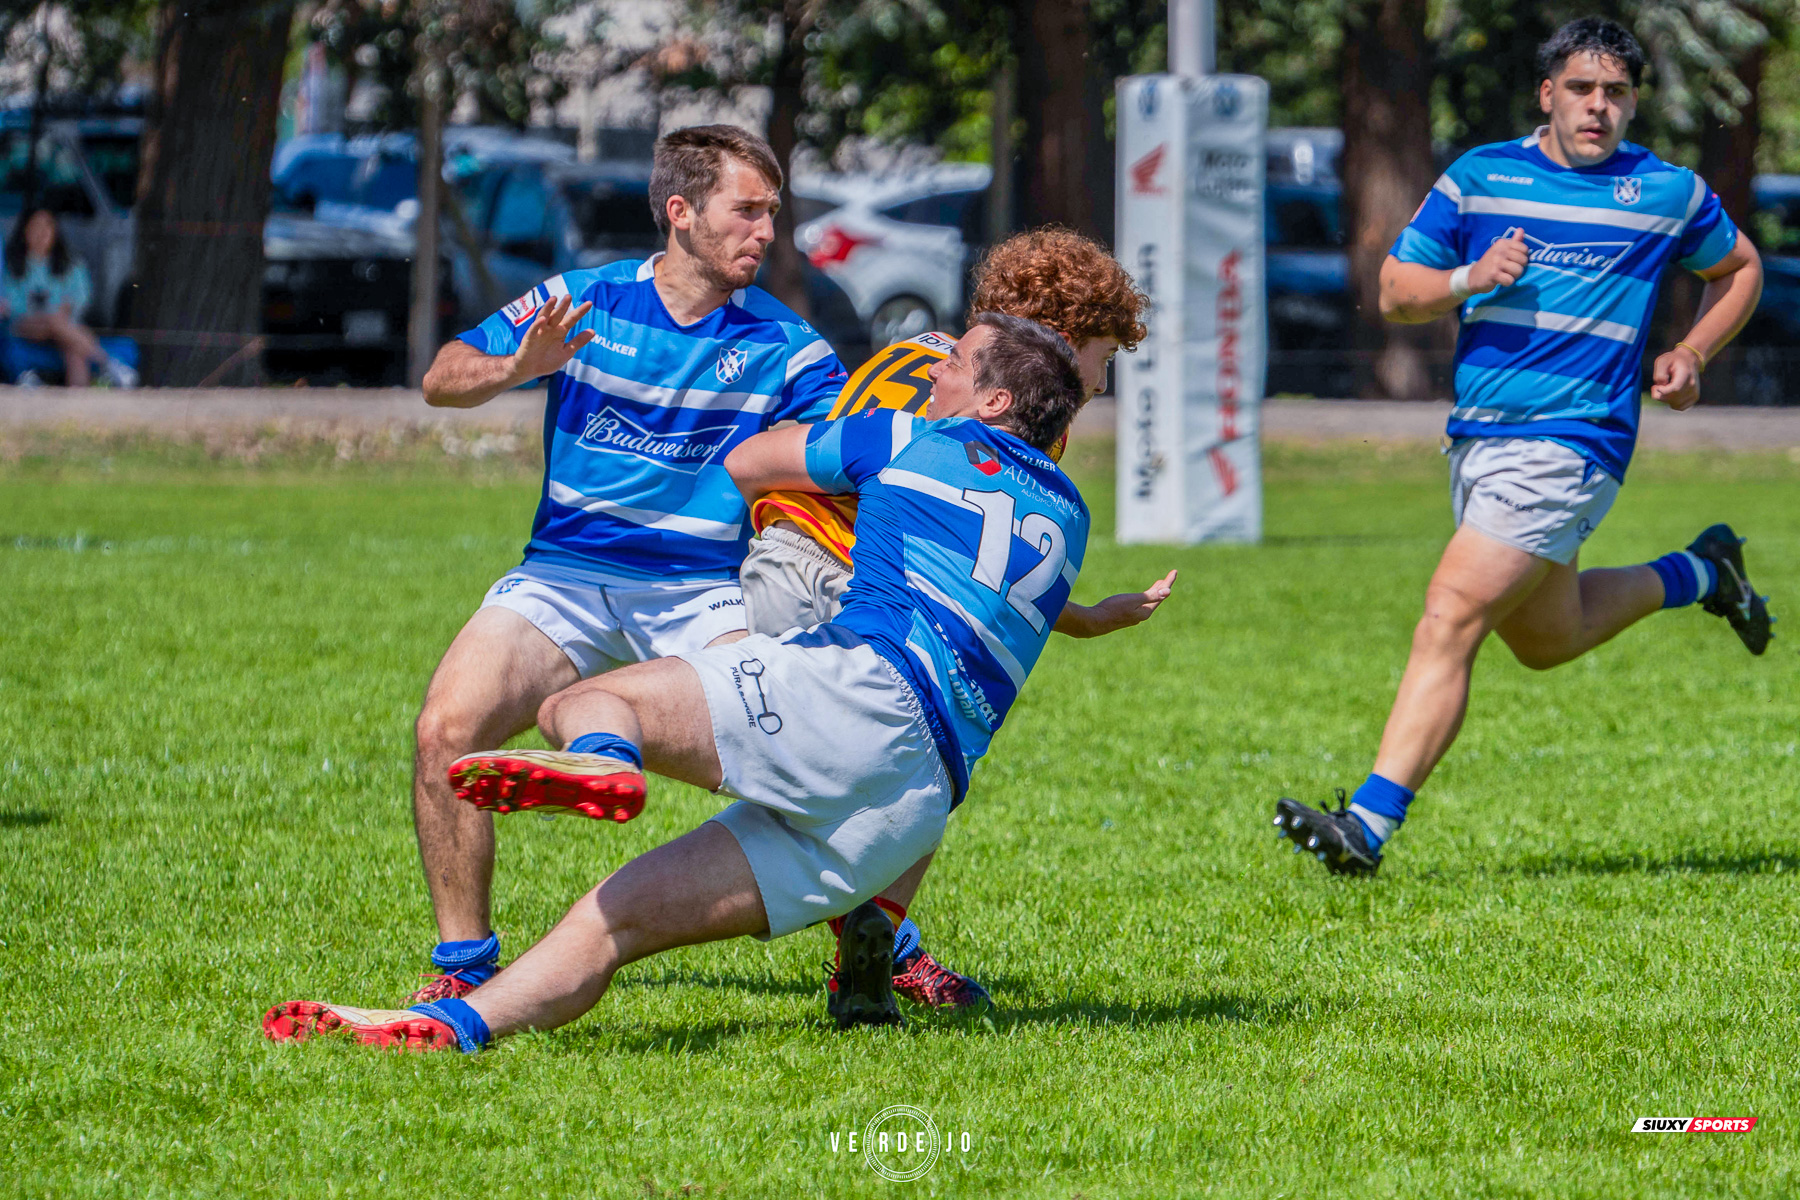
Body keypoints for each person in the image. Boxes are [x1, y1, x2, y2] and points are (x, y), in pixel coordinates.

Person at [263, 312, 1102, 1048]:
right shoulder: (1069, 517)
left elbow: (750, 463)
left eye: (957, 360)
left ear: (992, 402)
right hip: (910, 812)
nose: (935, 369)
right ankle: (456, 1028)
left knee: (586, 700)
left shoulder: (904, 435)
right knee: (616, 917)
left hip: (854, 696)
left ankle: (601, 759)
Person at [1273, 17, 1773, 878]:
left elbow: (1741, 269)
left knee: (1450, 612)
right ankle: (1703, 572)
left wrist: (1691, 350)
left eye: (1616, 93)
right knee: (1549, 636)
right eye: (1582, 89)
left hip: (1575, 440)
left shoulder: (1666, 191)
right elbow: (1396, 291)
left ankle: (1367, 822)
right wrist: (1471, 277)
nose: (1599, 107)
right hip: (1480, 440)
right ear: (1548, 93)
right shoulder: (1480, 178)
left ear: (1633, 104)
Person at [397, 124, 848, 1006]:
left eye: (772, 213)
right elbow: (441, 376)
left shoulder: (788, 345)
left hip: (700, 590)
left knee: (808, 758)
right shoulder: (584, 300)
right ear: (680, 213)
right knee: (445, 733)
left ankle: (878, 944)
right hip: (564, 575)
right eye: (745, 211)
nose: (765, 232)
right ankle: (464, 974)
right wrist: (517, 364)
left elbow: (852, 441)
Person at [734, 226, 1176, 1010]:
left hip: (802, 563)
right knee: (926, 748)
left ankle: (873, 937)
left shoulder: (934, 355)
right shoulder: (991, 401)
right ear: (1060, 336)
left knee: (908, 758)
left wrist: (1086, 617)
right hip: (848, 583)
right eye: (1102, 359)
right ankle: (877, 939)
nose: (1102, 384)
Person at [1, 208, 135, 388]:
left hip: (62, 328)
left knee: (74, 352)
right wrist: (51, 316)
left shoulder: (72, 265)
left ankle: (75, 408)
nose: (41, 233)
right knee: (55, 323)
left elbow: (79, 300)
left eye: (47, 226)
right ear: (24, 231)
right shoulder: (11, 265)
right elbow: (12, 307)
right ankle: (109, 363)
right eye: (36, 227)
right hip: (24, 327)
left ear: (55, 231)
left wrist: (64, 313)